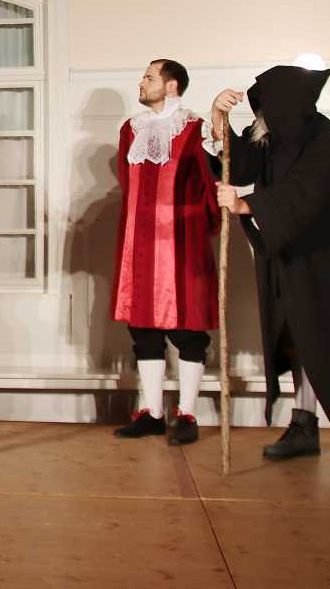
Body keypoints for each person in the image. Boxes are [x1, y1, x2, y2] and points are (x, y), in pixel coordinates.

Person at [212, 63, 330, 469]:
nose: (259, 115)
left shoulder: (327, 138)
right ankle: (304, 423)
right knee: (298, 336)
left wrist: (246, 205)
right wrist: (219, 117)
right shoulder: (272, 137)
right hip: (292, 255)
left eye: (265, 105)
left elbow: (306, 191)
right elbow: (239, 164)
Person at [110, 59, 220, 445]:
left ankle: (187, 413)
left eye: (149, 77)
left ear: (172, 85)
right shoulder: (131, 129)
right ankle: (153, 413)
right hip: (139, 244)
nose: (141, 83)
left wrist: (219, 133)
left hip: (182, 242)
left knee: (187, 329)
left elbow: (213, 178)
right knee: (143, 329)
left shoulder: (195, 128)